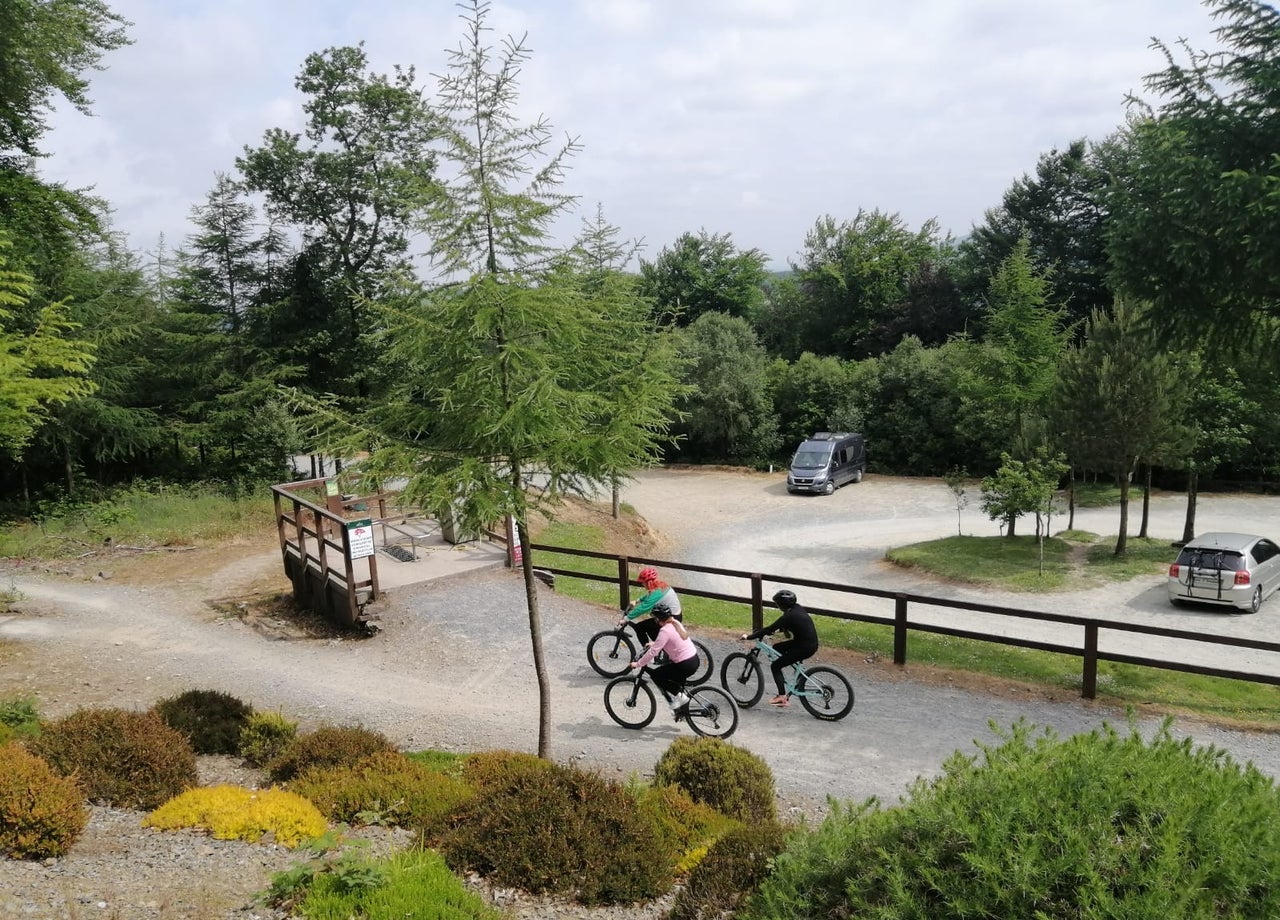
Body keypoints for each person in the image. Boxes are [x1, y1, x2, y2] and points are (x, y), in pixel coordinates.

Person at [740, 589, 819, 707]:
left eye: (777, 604)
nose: (777, 606)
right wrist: (779, 629)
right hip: (808, 644)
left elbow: (769, 629)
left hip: (804, 648)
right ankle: (797, 676)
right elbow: (795, 624)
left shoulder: (788, 616)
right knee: (777, 648)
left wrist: (749, 637)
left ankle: (782, 697)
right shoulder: (797, 609)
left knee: (775, 666)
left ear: (782, 605)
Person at [630, 603, 698, 719]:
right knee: (673, 680)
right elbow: (668, 641)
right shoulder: (675, 624)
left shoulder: (664, 631)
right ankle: (681, 711)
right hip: (693, 660)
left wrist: (638, 663)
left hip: (684, 664)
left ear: (658, 619)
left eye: (655, 618)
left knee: (657, 675)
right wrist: (654, 643)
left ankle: (680, 697)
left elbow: (653, 653)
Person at [620, 566, 683, 644]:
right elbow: (650, 596)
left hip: (671, 619)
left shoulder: (657, 593)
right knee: (649, 629)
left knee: (640, 627)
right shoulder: (660, 586)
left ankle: (653, 649)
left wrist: (626, 618)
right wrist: (637, 601)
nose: (642, 584)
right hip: (671, 616)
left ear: (648, 582)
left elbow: (643, 608)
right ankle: (657, 647)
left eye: (643, 582)